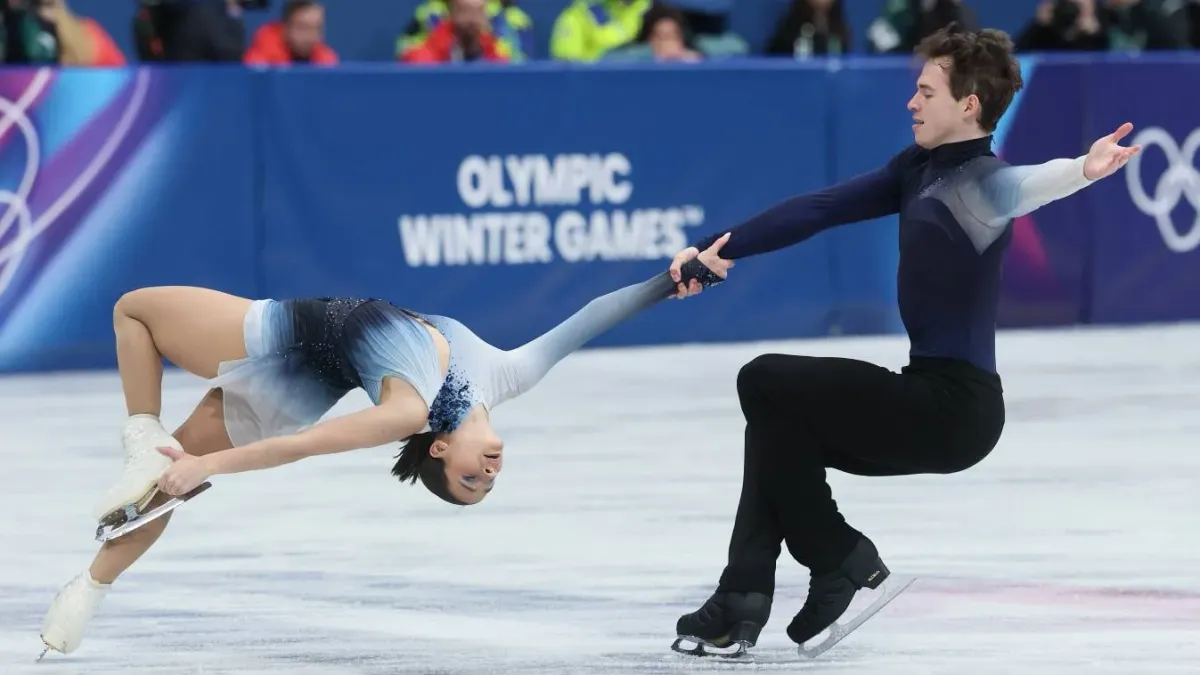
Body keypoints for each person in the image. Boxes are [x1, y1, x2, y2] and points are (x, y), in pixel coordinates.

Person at [666, 25, 1141, 657]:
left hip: (955, 410)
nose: (911, 103)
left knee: (765, 379)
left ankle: (836, 556)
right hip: (922, 393)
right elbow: (820, 207)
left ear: (968, 104)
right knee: (778, 423)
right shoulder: (914, 169)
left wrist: (1084, 168)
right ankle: (743, 597)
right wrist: (717, 250)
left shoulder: (984, 182)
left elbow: (1033, 183)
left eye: (925, 91)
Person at [37, 238, 731, 659]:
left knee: (136, 315)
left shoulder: (408, 413)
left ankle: (90, 583)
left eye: (469, 482)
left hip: (304, 343)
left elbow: (302, 447)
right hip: (333, 335)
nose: (487, 474)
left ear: (437, 454)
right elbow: (588, 319)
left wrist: (205, 466)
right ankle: (135, 465)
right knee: (152, 412)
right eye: (487, 483)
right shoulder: (508, 377)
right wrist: (671, 280)